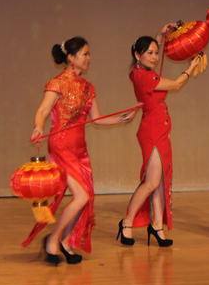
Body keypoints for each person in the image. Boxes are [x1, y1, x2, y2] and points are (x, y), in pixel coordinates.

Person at [27, 37, 140, 265]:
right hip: (61, 145)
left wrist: (122, 119)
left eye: (89, 54)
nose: (88, 58)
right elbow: (43, 110)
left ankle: (67, 241)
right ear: (71, 57)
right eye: (85, 54)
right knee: (81, 196)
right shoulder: (58, 83)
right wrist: (39, 127)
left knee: (86, 198)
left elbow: (97, 119)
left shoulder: (88, 87)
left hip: (80, 149)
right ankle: (53, 240)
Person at [117, 25, 199, 247]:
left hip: (161, 131)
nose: (154, 57)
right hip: (151, 132)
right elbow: (177, 84)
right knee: (152, 182)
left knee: (161, 183)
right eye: (149, 53)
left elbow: (152, 52)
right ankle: (127, 223)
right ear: (137, 55)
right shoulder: (143, 77)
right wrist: (191, 67)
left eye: (156, 52)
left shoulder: (144, 72)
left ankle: (157, 227)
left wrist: (161, 37)